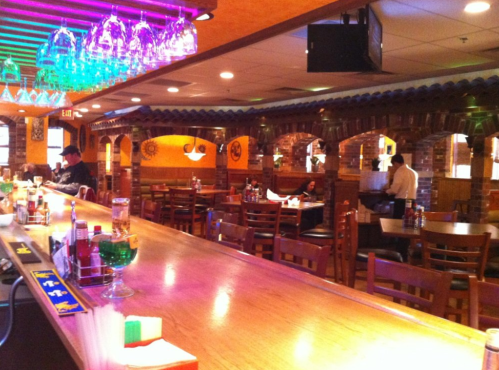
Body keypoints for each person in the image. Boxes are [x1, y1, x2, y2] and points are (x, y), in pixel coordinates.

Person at [385, 153, 418, 261]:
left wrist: (386, 191)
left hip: (401, 202)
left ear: (395, 163)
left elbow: (395, 189)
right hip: (412, 202)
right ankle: (405, 251)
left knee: (399, 227)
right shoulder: (413, 172)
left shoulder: (400, 172)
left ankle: (399, 253)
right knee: (408, 227)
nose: (394, 168)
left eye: (394, 165)